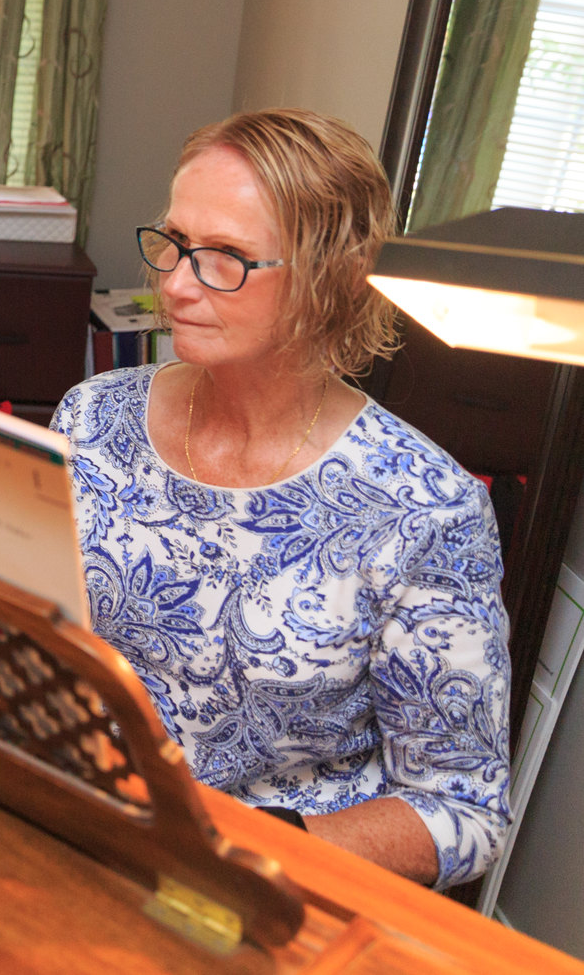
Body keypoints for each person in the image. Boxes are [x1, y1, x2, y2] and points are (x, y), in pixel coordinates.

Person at [51, 109, 510, 888]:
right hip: (75, 826)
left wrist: (245, 848)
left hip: (261, 880)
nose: (172, 283)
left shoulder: (423, 508)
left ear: (327, 276)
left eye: (224, 258)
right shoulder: (92, 418)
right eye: (172, 243)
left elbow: (463, 807)